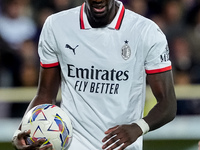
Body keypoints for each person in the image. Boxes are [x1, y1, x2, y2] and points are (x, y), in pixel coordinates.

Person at [12, 0, 177, 149]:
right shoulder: (56, 26)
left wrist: (139, 127)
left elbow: (168, 103)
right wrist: (20, 133)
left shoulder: (146, 32)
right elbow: (45, 95)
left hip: (121, 147)